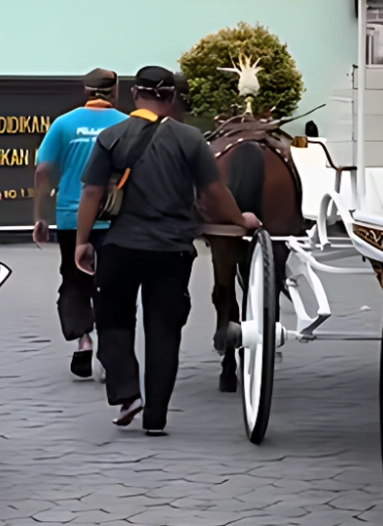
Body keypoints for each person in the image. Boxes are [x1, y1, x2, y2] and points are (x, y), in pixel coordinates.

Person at [76, 65, 260, 436]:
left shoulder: (111, 137)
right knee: (164, 331)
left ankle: (128, 394)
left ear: (134, 94)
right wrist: (240, 219)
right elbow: (213, 192)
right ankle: (156, 416)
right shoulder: (190, 140)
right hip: (172, 249)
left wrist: (82, 241)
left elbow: (92, 192)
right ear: (172, 97)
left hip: (120, 246)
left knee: (113, 322)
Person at [34, 68, 127, 379]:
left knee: (74, 279)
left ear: (86, 91)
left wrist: (40, 216)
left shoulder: (64, 123)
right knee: (111, 283)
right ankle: (109, 349)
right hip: (115, 218)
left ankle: (84, 341)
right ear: (114, 91)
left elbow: (42, 170)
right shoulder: (126, 124)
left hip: (71, 217)